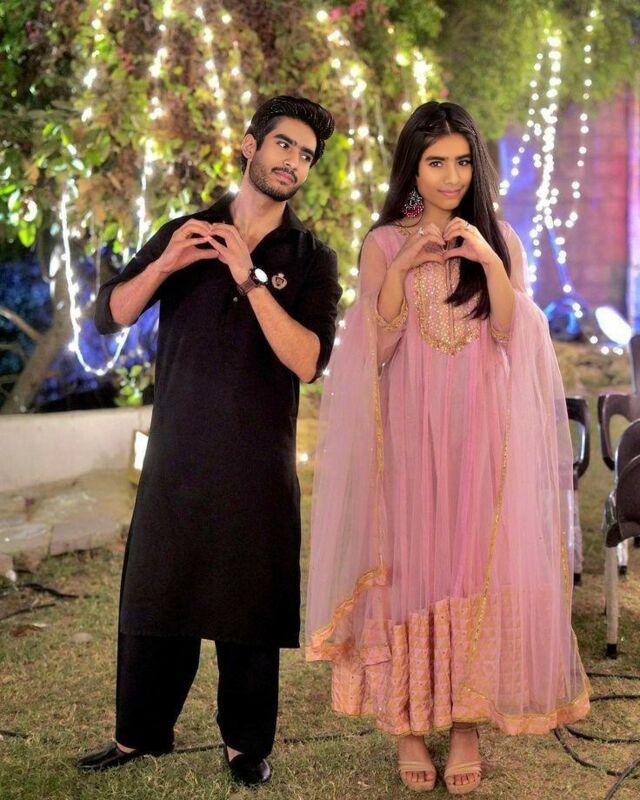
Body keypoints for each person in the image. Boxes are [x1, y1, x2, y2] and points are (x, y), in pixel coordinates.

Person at [305, 101, 590, 795]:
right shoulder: (382, 243)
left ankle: (464, 723)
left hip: (480, 431)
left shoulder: (499, 239)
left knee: (471, 567)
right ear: (412, 168)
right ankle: (408, 721)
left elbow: (511, 335)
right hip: (408, 433)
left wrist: (488, 260)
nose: (451, 176)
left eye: (463, 162)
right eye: (436, 162)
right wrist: (404, 265)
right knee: (409, 568)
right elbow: (375, 348)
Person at [79, 95, 341, 787]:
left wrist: (249, 280)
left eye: (306, 155)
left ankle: (245, 745)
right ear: (250, 145)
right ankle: (138, 736)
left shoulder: (312, 258)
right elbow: (110, 314)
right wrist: (166, 263)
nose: (293, 162)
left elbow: (309, 360)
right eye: (283, 145)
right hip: (177, 452)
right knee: (156, 595)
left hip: (259, 462)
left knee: (249, 605)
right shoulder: (185, 230)